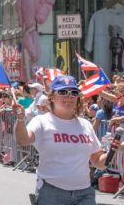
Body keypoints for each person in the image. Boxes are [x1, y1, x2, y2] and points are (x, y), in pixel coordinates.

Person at [14, 75, 112, 205]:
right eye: (62, 92)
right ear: (52, 97)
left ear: (78, 98)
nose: (69, 96)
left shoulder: (85, 124)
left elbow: (98, 162)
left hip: (84, 193)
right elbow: (23, 140)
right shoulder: (42, 121)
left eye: (74, 92)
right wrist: (20, 119)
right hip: (51, 192)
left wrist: (113, 150)